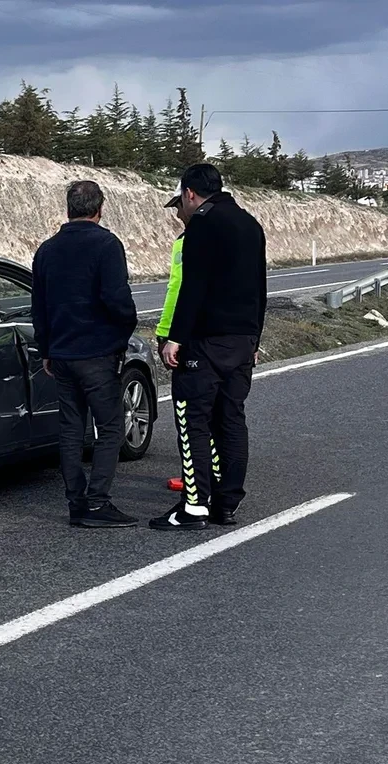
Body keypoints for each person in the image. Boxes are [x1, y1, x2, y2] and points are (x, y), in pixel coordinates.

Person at [150, 163, 266, 531]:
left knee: (192, 419)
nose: (181, 212)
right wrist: (254, 339)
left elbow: (192, 287)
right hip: (242, 341)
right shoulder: (250, 223)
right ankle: (226, 503)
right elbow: (261, 289)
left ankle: (195, 505)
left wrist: (176, 338)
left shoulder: (203, 223)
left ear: (189, 193)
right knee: (232, 419)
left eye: (181, 202)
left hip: (206, 341)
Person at [31, 180, 140, 528]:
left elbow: (39, 306)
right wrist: (124, 330)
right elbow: (116, 298)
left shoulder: (47, 250)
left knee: (70, 429)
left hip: (61, 353)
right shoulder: (107, 244)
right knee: (109, 426)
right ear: (99, 208)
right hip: (97, 351)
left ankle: (76, 501)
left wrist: (46, 348)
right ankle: (97, 502)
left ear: (69, 209)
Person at [156, 185, 222, 494]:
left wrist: (170, 333)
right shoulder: (189, 241)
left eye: (179, 207)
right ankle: (207, 471)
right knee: (203, 409)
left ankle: (198, 475)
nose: (178, 214)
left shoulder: (190, 242)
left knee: (190, 410)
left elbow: (182, 290)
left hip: (183, 333)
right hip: (189, 331)